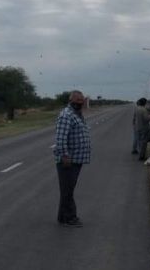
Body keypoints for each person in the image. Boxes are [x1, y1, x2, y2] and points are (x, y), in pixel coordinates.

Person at [53, 90, 91, 227]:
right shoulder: (66, 115)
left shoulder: (77, 115)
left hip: (76, 159)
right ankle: (70, 218)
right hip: (68, 160)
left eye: (81, 101)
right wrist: (64, 155)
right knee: (67, 191)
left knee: (67, 190)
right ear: (71, 101)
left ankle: (62, 217)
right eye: (77, 101)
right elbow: (60, 138)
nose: (80, 103)